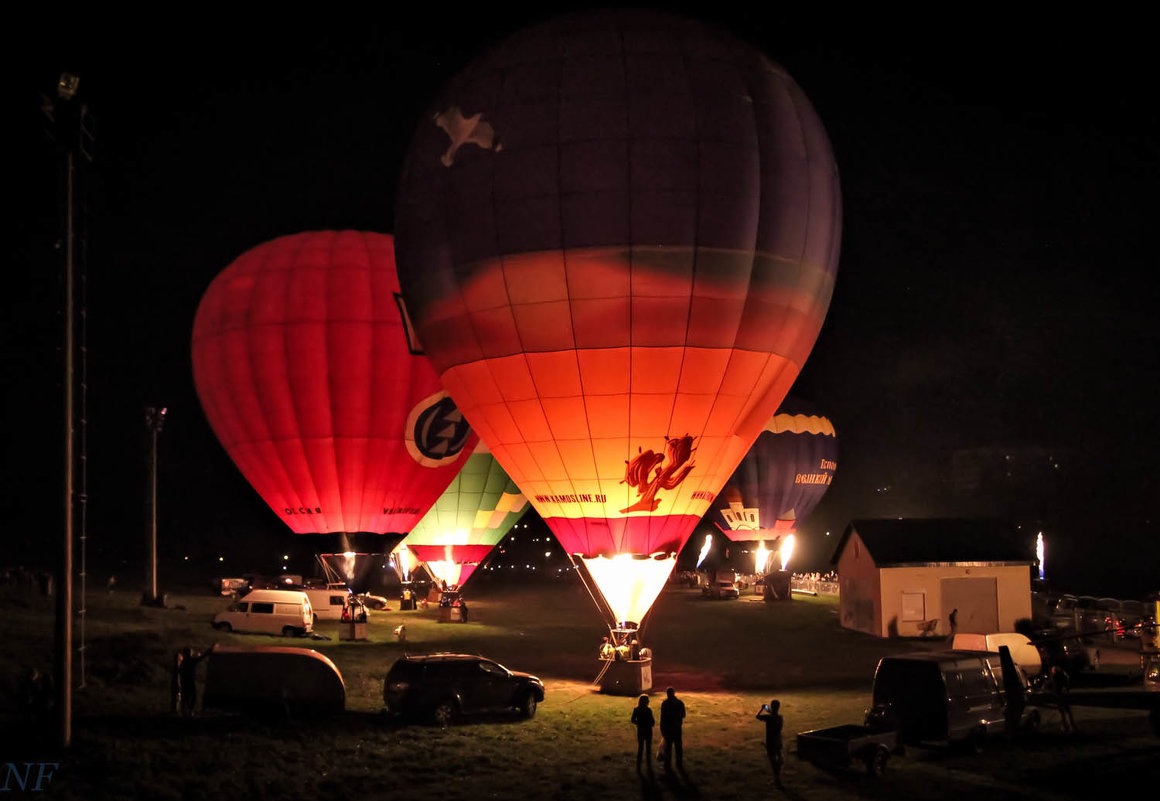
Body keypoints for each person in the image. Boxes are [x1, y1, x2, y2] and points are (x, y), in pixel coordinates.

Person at [178, 644, 215, 717]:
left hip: (184, 681)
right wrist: (209, 651)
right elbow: (201, 658)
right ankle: (189, 711)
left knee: (186, 696)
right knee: (192, 696)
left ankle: (185, 711)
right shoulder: (190, 661)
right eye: (190, 652)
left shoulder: (183, 662)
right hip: (189, 681)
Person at [756, 698, 784, 788]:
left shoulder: (768, 718)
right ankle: (777, 777)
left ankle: (777, 779)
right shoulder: (780, 717)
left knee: (773, 761)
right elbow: (773, 714)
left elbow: (758, 716)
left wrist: (762, 709)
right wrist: (768, 709)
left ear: (772, 707)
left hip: (770, 741)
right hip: (778, 740)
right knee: (778, 758)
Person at [659, 687, 686, 773]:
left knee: (668, 747)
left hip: (668, 728)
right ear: (674, 693)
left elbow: (662, 717)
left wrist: (662, 728)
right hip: (677, 727)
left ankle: (667, 765)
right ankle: (679, 763)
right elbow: (683, 715)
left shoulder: (665, 703)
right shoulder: (679, 703)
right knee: (678, 747)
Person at [630, 694, 655, 772]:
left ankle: (639, 764)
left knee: (640, 747)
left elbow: (632, 720)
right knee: (648, 748)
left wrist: (638, 723)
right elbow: (652, 722)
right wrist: (649, 724)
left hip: (640, 730)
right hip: (648, 730)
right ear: (646, 702)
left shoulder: (636, 709)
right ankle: (648, 764)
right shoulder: (648, 710)